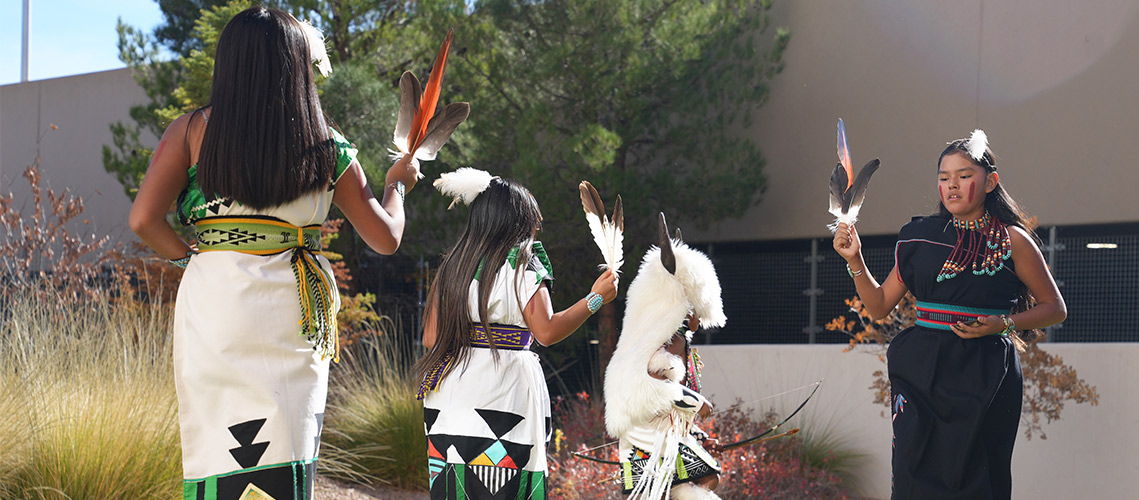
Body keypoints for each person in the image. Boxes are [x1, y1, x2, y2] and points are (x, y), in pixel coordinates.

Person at [128, 6, 419, 498]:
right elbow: (386, 237)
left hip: (215, 299)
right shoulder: (328, 144)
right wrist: (398, 186)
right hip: (292, 303)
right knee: (288, 436)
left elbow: (142, 220)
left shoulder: (191, 131)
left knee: (217, 437)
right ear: (298, 64)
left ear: (230, 63)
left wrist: (190, 259)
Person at [833, 131, 1067, 499]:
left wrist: (1003, 324)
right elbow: (878, 307)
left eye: (964, 175)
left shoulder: (1013, 241)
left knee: (975, 479)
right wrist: (855, 260)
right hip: (920, 369)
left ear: (990, 181)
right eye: (944, 178)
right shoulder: (917, 237)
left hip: (985, 372)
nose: (952, 185)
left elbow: (1055, 309)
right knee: (913, 475)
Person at [417, 168, 618, 500]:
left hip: (451, 394)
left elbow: (430, 338)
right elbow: (547, 331)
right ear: (517, 223)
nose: (537, 228)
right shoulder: (521, 263)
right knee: (506, 485)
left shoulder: (453, 265)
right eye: (533, 221)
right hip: (504, 390)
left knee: (455, 486)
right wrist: (595, 299)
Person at [605, 214, 725, 500]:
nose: (697, 314)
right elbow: (652, 386)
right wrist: (697, 403)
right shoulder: (670, 338)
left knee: (695, 481)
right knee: (706, 477)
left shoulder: (655, 336)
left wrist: (696, 434)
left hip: (648, 434)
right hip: (647, 436)